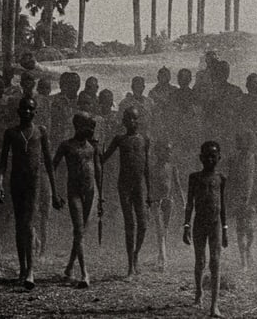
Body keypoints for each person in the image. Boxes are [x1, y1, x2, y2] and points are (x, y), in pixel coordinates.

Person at [0, 97, 61, 290]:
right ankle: (22, 268)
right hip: (16, 182)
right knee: (19, 225)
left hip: (35, 183)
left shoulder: (40, 132)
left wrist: (55, 192)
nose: (26, 112)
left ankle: (31, 270)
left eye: (30, 109)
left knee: (29, 224)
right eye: (23, 109)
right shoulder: (11, 133)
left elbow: (49, 163)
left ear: (35, 112)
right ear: (18, 111)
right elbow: (2, 163)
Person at [53, 113, 102, 288]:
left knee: (81, 232)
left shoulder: (92, 147)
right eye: (86, 126)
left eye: (91, 126)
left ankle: (68, 268)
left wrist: (101, 196)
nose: (90, 129)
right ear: (77, 125)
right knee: (79, 229)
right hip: (73, 192)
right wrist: (55, 192)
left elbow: (98, 170)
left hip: (90, 192)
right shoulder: (66, 145)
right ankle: (84, 273)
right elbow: (53, 167)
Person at [102, 105, 152, 276]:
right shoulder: (119, 139)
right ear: (124, 121)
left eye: (135, 118)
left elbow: (146, 167)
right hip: (124, 186)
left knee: (143, 225)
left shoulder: (144, 139)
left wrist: (150, 192)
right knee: (130, 224)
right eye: (129, 118)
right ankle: (130, 264)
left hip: (139, 186)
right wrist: (95, 149)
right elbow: (104, 158)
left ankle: (136, 254)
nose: (132, 121)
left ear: (139, 120)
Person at [183, 140, 228, 318]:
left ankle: (214, 305)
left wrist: (225, 228)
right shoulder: (194, 178)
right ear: (200, 157)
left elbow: (222, 205)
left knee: (215, 262)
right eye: (206, 156)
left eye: (213, 156)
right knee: (200, 261)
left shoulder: (221, 179)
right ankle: (199, 291)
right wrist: (186, 225)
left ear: (219, 157)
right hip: (199, 223)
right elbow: (189, 204)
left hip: (215, 224)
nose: (210, 159)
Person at [224, 128, 257, 270]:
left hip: (252, 198)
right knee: (240, 229)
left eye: (243, 141)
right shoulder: (233, 160)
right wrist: (228, 198)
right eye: (239, 141)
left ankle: (248, 250)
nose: (240, 144)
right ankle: (243, 261)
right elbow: (229, 180)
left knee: (251, 229)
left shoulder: (256, 158)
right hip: (238, 198)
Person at [149, 140, 184, 270]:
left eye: (170, 151)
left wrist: (183, 202)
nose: (169, 153)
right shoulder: (152, 169)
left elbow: (178, 186)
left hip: (168, 201)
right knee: (160, 229)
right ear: (157, 152)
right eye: (166, 150)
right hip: (156, 201)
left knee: (165, 229)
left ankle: (161, 255)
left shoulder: (172, 167)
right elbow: (149, 186)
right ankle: (163, 259)